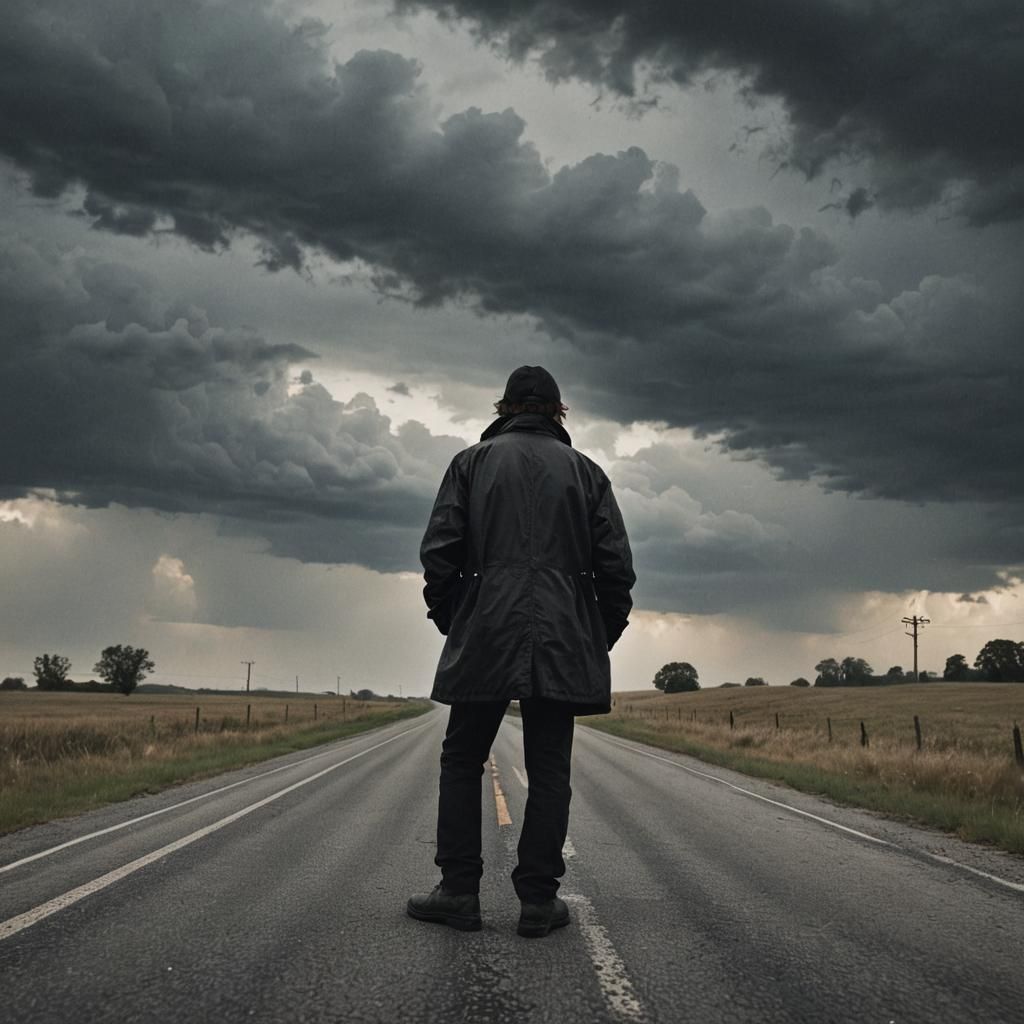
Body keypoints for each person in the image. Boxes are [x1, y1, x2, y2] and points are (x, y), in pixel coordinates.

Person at [407, 365, 635, 938]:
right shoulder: (588, 474)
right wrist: (590, 635)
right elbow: (618, 574)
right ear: (559, 413)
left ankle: (459, 892)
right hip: (564, 637)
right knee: (549, 769)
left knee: (462, 758)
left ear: (503, 407)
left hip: (485, 629)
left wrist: (456, 619)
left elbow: (439, 554)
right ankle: (538, 900)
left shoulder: (470, 464)